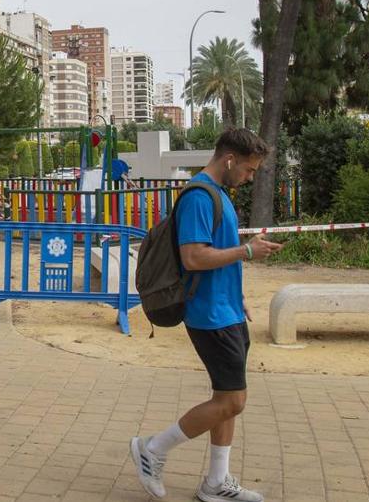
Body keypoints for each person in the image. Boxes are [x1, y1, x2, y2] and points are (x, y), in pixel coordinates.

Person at [129, 127, 284, 501]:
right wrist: (247, 252)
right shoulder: (200, 197)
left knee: (225, 398)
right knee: (233, 401)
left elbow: (220, 253)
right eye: (248, 170)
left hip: (226, 309)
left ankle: (216, 482)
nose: (249, 178)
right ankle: (152, 448)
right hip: (209, 315)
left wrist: (239, 293)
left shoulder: (219, 195)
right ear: (229, 159)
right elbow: (194, 256)